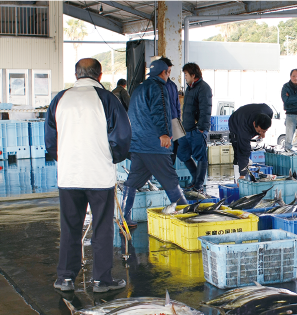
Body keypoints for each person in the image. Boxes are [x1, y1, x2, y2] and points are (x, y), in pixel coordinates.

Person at [45, 58, 131, 293]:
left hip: (68, 175)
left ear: (76, 75)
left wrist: (65, 160)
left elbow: (50, 140)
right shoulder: (107, 99)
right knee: (102, 227)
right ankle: (101, 280)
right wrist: (112, 157)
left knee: (70, 226)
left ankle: (65, 277)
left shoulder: (59, 99)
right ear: (99, 75)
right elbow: (122, 136)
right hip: (98, 175)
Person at [121, 58, 189, 228]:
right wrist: (164, 134)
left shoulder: (138, 88)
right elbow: (161, 112)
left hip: (138, 144)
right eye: (169, 73)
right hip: (154, 146)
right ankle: (190, 217)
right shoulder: (158, 87)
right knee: (170, 180)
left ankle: (124, 217)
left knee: (133, 182)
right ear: (164, 72)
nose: (169, 76)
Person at [179, 62, 212, 193]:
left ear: (193, 75)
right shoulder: (189, 88)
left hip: (197, 130)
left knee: (201, 157)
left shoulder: (204, 88)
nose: (185, 77)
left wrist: (201, 128)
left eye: (186, 74)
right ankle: (195, 179)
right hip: (186, 129)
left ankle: (198, 185)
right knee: (183, 154)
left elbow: (206, 109)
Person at [228, 103, 273, 180]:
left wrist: (261, 132)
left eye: (264, 131)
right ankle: (237, 177)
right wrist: (243, 174)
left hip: (250, 115)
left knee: (244, 155)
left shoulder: (268, 111)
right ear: (254, 123)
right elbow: (244, 151)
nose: (263, 135)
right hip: (235, 122)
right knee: (239, 151)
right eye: (259, 131)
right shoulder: (244, 130)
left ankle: (245, 164)